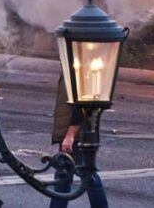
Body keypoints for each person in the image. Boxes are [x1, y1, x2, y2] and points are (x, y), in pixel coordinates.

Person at [50, 75, 108, 208]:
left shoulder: (79, 69)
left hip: (78, 136)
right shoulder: (71, 68)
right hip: (76, 134)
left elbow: (81, 107)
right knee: (67, 177)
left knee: (82, 176)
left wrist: (70, 135)